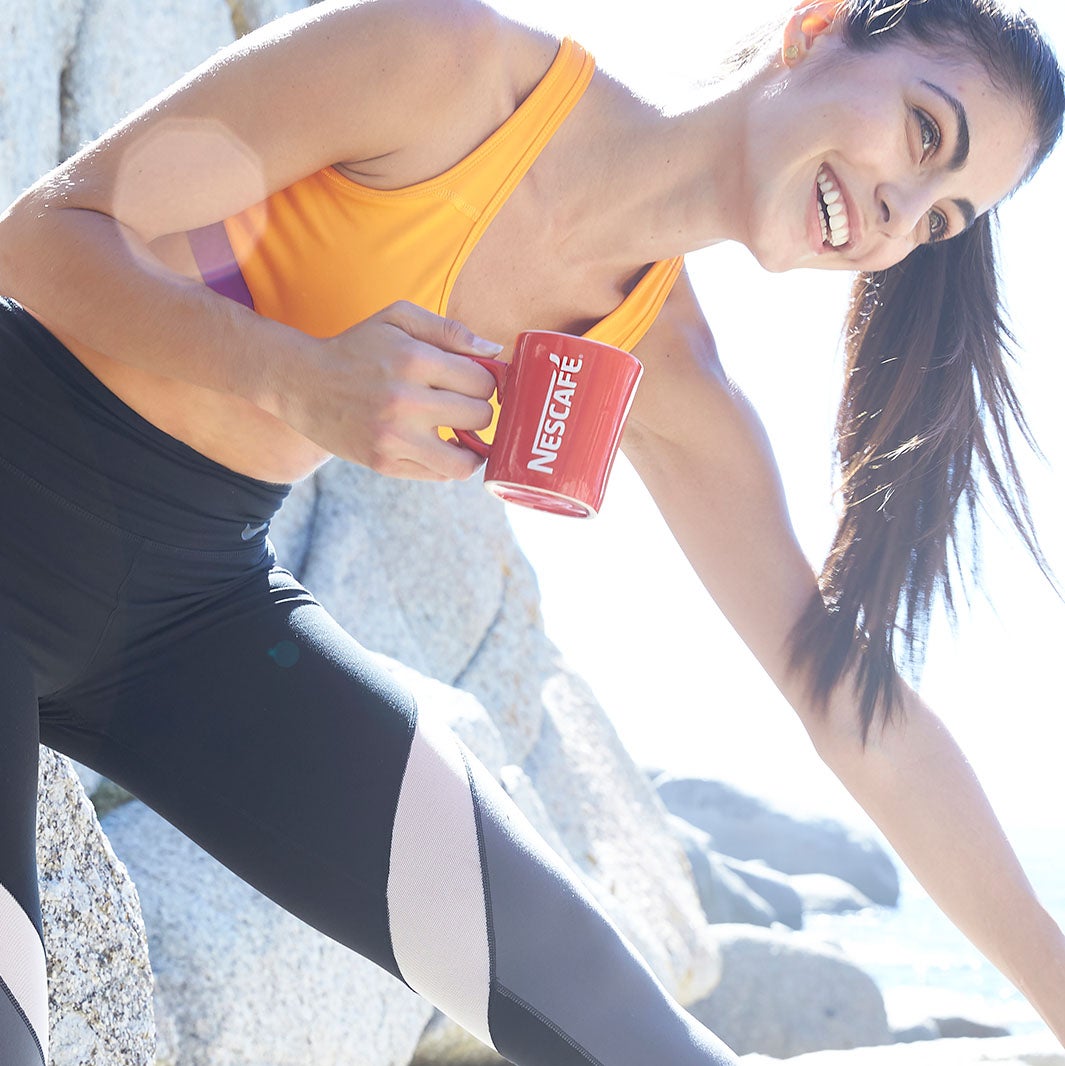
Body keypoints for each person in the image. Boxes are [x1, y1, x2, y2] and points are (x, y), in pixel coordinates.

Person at [0, 0, 1062, 1062]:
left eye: (939, 221)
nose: (898, 210)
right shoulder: (447, 67)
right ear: (818, 27)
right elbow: (41, 236)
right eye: (926, 133)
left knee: (628, 1026)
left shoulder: (676, 380)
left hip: (190, 617)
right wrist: (293, 373)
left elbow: (855, 712)